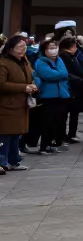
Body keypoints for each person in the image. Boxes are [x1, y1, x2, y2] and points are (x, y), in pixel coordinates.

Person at [0, 36, 35, 172]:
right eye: (20, 47)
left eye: (24, 46)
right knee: (5, 134)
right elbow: (1, 84)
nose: (23, 49)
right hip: (6, 105)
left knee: (16, 134)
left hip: (21, 104)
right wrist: (23, 87)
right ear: (10, 48)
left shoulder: (24, 61)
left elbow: (31, 77)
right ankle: (2, 161)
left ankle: (14, 160)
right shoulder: (3, 63)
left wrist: (32, 86)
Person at [33, 38, 70, 153]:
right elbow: (49, 75)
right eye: (50, 48)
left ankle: (53, 144)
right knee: (47, 122)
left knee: (58, 121)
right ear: (44, 50)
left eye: (55, 47)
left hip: (62, 95)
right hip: (48, 96)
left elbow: (65, 73)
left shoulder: (59, 60)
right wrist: (59, 75)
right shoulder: (40, 62)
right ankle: (43, 145)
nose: (53, 50)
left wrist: (58, 74)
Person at [57, 37, 83, 144]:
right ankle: (63, 135)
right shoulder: (64, 56)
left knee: (75, 112)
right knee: (66, 113)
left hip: (77, 86)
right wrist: (80, 80)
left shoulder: (75, 56)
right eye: (75, 45)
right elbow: (67, 72)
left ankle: (71, 133)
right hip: (70, 87)